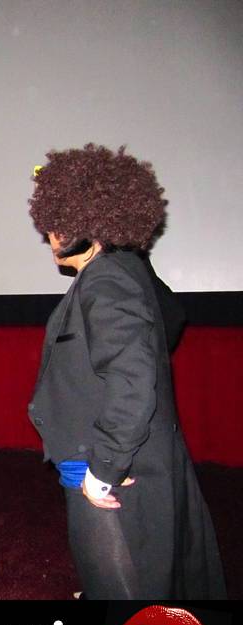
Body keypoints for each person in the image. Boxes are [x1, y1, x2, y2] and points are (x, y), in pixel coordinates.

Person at [27, 145, 226, 599]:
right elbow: (165, 323)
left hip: (112, 473)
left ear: (84, 221)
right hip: (119, 459)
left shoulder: (107, 278)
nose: (49, 234)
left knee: (128, 602)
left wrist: (105, 467)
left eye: (56, 221)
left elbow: (132, 380)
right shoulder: (126, 270)